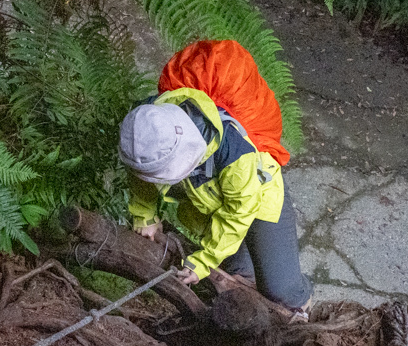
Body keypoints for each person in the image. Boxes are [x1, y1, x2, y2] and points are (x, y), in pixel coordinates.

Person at [118, 40, 313, 320]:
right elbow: (141, 172)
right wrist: (144, 216)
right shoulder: (147, 123)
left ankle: (303, 307)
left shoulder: (235, 154)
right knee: (238, 277)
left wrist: (205, 261)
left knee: (280, 289)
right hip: (211, 208)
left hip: (256, 203)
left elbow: (240, 211)